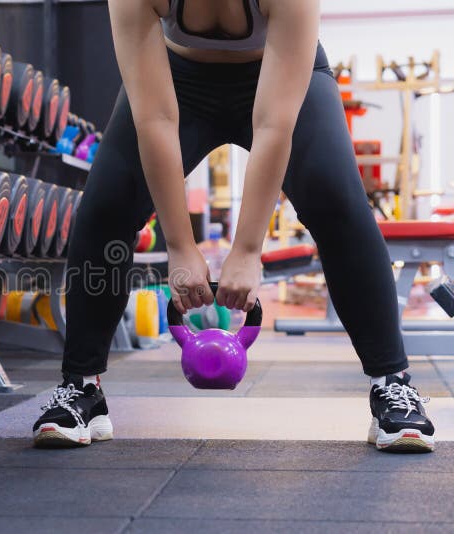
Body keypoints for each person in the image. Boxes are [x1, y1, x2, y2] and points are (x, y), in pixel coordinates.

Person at [32, 0, 436, 452]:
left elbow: (273, 126)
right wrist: (180, 247)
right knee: (106, 208)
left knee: (338, 201)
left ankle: (391, 383)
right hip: (176, 79)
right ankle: (82, 386)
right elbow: (155, 121)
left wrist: (247, 250)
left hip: (276, 72)